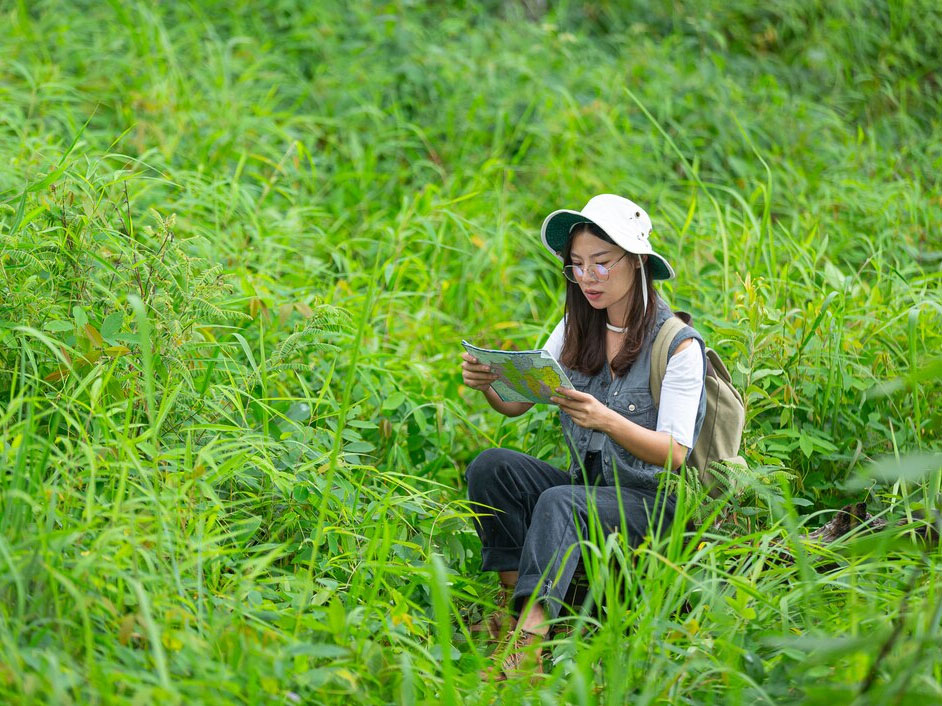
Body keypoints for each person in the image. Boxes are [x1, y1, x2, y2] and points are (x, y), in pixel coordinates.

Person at [460, 194, 707, 680]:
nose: (588, 278)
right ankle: (515, 610)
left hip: (654, 506)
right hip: (588, 492)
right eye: (577, 266)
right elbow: (516, 404)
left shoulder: (676, 344)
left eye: (600, 263)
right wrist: (490, 383)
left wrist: (606, 419)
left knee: (560, 500)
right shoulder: (576, 325)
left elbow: (675, 455)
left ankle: (526, 646)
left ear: (636, 262)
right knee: (491, 468)